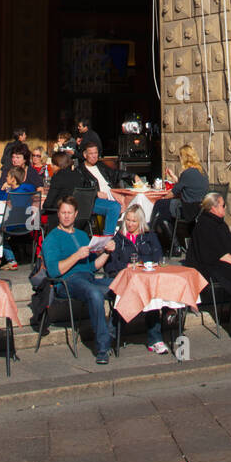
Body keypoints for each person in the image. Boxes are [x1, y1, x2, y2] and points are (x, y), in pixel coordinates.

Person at [42, 197, 114, 364]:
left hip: (88, 278)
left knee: (121, 285)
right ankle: (103, 347)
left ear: (75, 215)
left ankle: (111, 334)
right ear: (58, 215)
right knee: (94, 293)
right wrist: (76, 256)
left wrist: (107, 252)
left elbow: (93, 267)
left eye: (69, 213)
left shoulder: (82, 235)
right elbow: (54, 271)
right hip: (67, 282)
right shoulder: (52, 238)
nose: (66, 216)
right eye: (63, 213)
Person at [185, 192, 231, 341]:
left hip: (223, 261)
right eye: (223, 205)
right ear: (213, 207)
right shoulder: (205, 224)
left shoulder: (219, 223)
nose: (226, 208)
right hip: (210, 265)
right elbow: (219, 253)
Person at [102, 205, 168, 354]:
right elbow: (111, 264)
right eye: (128, 220)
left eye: (134, 221)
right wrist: (126, 265)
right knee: (127, 297)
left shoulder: (149, 236)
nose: (130, 224)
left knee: (152, 296)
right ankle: (110, 338)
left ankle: (155, 339)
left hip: (146, 279)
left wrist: (144, 263)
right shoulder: (119, 238)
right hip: (125, 280)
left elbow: (157, 255)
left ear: (141, 222)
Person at [153, 143, 210, 242]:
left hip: (188, 209)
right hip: (200, 208)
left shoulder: (187, 173)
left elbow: (173, 193)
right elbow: (185, 185)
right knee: (165, 207)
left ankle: (173, 245)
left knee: (160, 206)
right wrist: (174, 177)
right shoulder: (202, 171)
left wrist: (162, 198)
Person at [79, 143, 121, 234]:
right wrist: (96, 193)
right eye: (91, 153)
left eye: (96, 153)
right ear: (85, 155)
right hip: (93, 200)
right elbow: (79, 190)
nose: (94, 156)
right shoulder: (80, 170)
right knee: (114, 207)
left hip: (111, 195)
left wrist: (133, 176)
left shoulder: (100, 166)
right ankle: (107, 239)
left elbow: (115, 173)